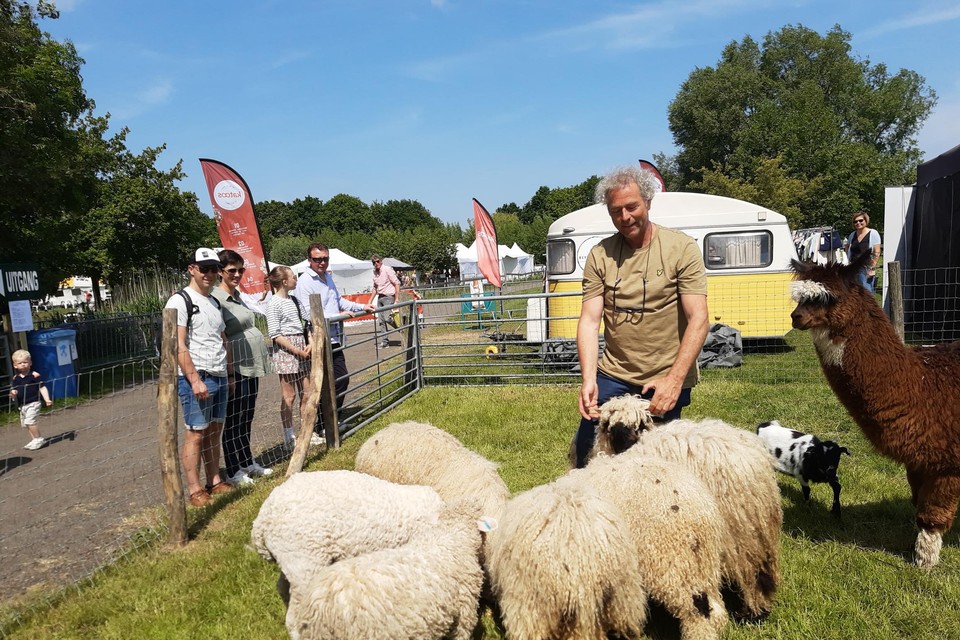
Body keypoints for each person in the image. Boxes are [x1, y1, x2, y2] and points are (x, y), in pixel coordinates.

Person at [572, 166, 709, 469]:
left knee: (660, 458)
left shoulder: (680, 248)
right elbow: (590, 320)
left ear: (647, 201)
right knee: (588, 449)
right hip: (615, 373)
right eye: (615, 211)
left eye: (631, 206)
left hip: (665, 375)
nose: (625, 217)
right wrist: (588, 378)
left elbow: (698, 319)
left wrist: (674, 381)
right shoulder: (600, 255)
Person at [164, 248, 233, 507]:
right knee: (195, 433)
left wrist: (229, 373)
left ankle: (214, 480)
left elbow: (221, 339)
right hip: (198, 375)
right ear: (191, 269)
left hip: (218, 374)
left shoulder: (213, 302)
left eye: (214, 268)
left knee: (215, 431)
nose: (210, 274)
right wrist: (194, 379)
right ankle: (194, 489)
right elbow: (178, 344)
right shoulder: (180, 301)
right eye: (204, 268)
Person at [294, 243, 375, 440]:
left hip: (334, 338)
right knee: (323, 384)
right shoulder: (305, 282)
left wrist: (362, 307)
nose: (322, 262)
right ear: (309, 260)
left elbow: (339, 301)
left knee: (339, 379)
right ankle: (322, 425)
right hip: (318, 339)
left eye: (325, 259)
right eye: (317, 259)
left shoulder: (327, 277)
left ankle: (332, 419)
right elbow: (308, 312)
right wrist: (338, 315)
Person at [213, 249, 273, 486]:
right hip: (236, 367)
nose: (237, 274)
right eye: (231, 271)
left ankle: (247, 460)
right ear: (221, 272)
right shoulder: (217, 300)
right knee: (234, 419)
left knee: (246, 416)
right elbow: (222, 335)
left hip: (250, 365)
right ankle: (233, 468)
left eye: (240, 270)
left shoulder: (237, 296)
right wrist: (228, 373)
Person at [265, 265, 313, 449]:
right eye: (293, 277)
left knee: (307, 393)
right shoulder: (274, 304)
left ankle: (306, 431)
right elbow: (275, 334)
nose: (296, 279)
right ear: (284, 281)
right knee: (289, 395)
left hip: (301, 347)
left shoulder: (294, 300)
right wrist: (295, 350)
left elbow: (306, 321)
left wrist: (309, 341)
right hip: (287, 350)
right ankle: (288, 436)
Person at [9, 349, 52, 450]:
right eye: (20, 363)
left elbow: (42, 387)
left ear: (30, 363)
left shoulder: (34, 375)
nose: (23, 365)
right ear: (15, 365)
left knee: (30, 421)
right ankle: (34, 440)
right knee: (26, 424)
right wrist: (13, 394)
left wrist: (47, 399)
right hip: (22, 405)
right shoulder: (16, 378)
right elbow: (13, 389)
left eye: (25, 362)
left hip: (34, 402)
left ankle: (38, 439)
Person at [846, 211, 882, 292]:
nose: (858, 223)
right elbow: (847, 247)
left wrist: (872, 267)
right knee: (853, 292)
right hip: (853, 267)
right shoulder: (852, 235)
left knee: (866, 292)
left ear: (866, 220)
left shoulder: (873, 233)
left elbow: (877, 251)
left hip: (865, 267)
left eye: (861, 220)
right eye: (855, 221)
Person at [371, 254, 401, 349]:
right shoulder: (375, 273)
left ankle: (402, 329)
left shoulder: (387, 269)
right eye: (374, 262)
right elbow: (375, 288)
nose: (376, 263)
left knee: (388, 318)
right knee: (381, 321)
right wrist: (369, 301)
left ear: (381, 261)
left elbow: (397, 283)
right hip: (380, 297)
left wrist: (396, 298)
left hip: (389, 297)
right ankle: (385, 342)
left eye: (377, 261)